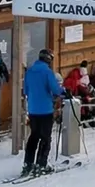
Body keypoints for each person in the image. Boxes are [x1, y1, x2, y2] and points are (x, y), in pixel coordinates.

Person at [21, 48, 64, 177]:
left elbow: (26, 91)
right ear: (49, 59)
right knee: (45, 138)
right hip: (45, 109)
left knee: (33, 136)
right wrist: (62, 92)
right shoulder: (47, 72)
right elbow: (55, 89)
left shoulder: (29, 72)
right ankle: (41, 164)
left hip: (33, 109)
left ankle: (28, 163)